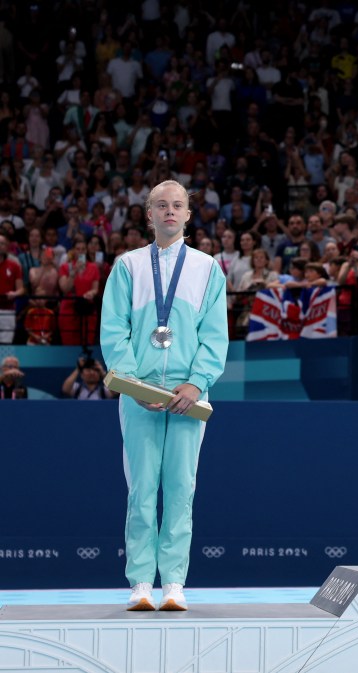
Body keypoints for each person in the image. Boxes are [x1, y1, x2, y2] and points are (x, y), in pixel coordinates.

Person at [100, 180, 228, 612]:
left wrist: (196, 382)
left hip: (189, 394)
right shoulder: (128, 266)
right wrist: (133, 384)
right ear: (148, 214)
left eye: (177, 205)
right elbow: (114, 330)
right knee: (140, 489)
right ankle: (140, 582)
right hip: (139, 396)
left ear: (189, 215)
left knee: (180, 488)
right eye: (161, 205)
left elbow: (215, 336)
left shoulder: (208, 269)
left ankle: (173, 582)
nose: (170, 211)